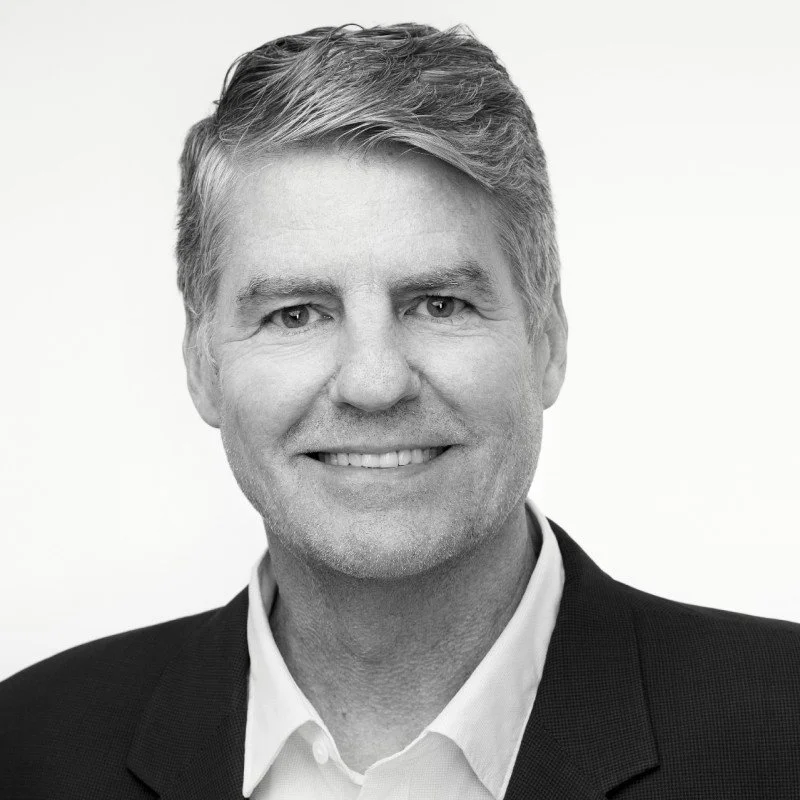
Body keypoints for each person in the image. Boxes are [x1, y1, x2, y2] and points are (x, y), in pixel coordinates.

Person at [1, 22, 798, 800]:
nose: (375, 383)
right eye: (296, 314)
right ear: (202, 366)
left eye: (439, 304)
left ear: (548, 341)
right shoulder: (29, 748)